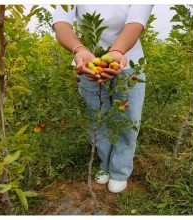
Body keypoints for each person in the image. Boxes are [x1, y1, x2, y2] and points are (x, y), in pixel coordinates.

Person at [52, 5, 153, 193]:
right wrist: (79, 49)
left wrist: (116, 52)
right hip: (87, 64)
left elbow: (136, 22)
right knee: (96, 120)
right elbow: (61, 23)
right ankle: (105, 164)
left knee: (128, 120)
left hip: (128, 63)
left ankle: (120, 170)